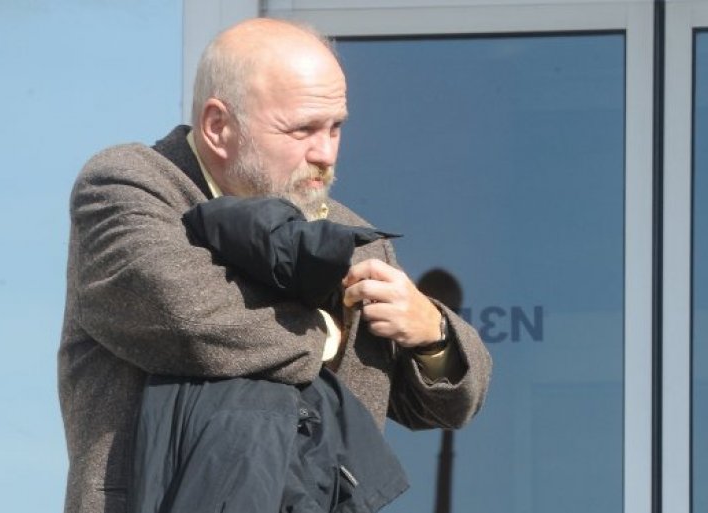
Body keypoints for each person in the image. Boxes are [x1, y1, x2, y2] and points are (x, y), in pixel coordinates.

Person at [58, 17, 492, 513]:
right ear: (218, 126)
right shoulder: (129, 187)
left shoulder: (352, 239)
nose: (326, 153)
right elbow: (186, 318)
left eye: (335, 127)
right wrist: (327, 333)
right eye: (302, 129)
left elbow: (443, 407)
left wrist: (433, 335)